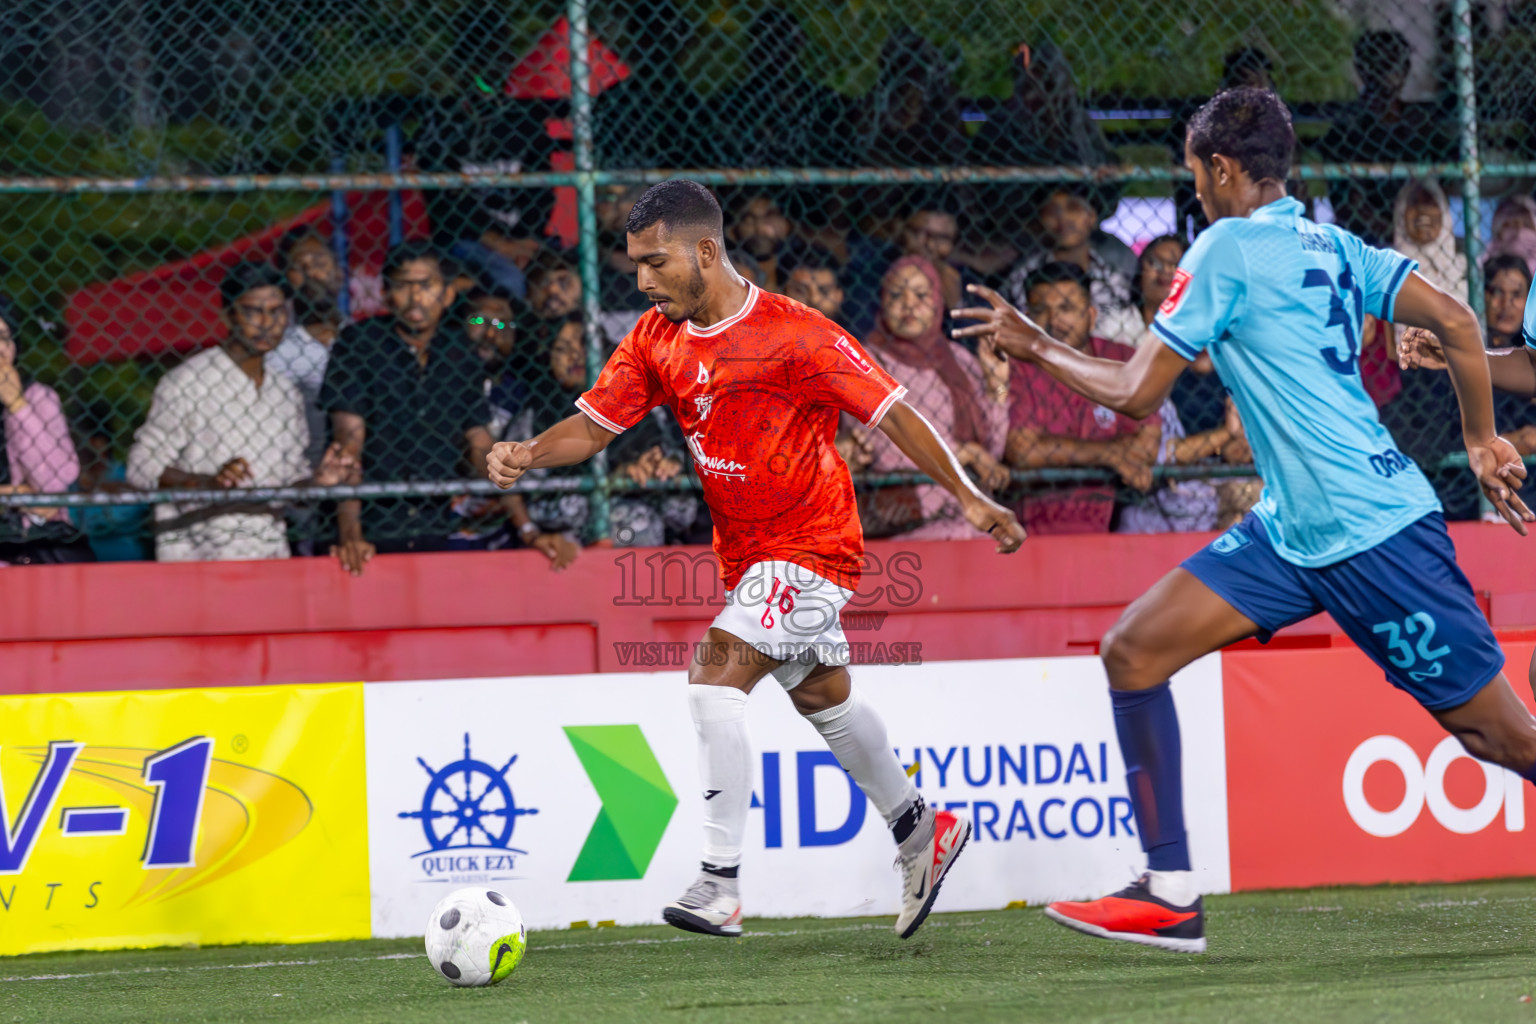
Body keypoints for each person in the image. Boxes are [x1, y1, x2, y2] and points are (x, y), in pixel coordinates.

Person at [956, 88, 1535, 954]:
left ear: (1222, 170)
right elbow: (1454, 318)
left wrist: (1035, 344)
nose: (1195, 191)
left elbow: (1135, 391)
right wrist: (1481, 440)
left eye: (1195, 174)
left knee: (1499, 735)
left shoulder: (1223, 246)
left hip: (1373, 537)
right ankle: (1170, 890)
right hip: (1294, 527)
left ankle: (1167, 885)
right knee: (1135, 650)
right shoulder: (1335, 244)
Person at [487, 180, 1024, 941]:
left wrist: (969, 497)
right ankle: (920, 830)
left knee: (714, 676)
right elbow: (594, 426)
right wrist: (528, 453)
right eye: (634, 264)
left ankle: (719, 882)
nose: (641, 280)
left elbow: (895, 412)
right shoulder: (655, 338)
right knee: (824, 697)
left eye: (654, 262)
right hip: (747, 557)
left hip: (816, 548)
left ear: (706, 251)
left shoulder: (797, 334)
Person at [128, 262, 354, 561]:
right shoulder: (188, 381)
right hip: (197, 556)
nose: (266, 323)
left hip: (269, 555)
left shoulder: (285, 392)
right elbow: (141, 467)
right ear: (229, 315)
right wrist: (207, 482)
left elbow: (291, 480)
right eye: (252, 312)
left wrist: (317, 482)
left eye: (276, 312)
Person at [319, 242, 494, 572]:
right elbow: (347, 442)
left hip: (438, 523)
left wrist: (526, 524)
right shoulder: (359, 344)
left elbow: (479, 440)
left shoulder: (459, 351)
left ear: (447, 294)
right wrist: (351, 533)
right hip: (373, 526)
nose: (415, 298)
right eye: (403, 286)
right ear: (385, 294)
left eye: (426, 286)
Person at [840, 256, 1010, 539]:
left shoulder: (960, 361)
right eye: (897, 294)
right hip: (914, 529)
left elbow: (993, 451)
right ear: (882, 302)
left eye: (920, 294)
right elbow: (884, 451)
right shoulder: (865, 362)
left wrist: (997, 387)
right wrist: (963, 453)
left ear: (937, 302)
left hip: (973, 529)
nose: (909, 304)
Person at [1005, 262, 1160, 535]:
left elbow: (1146, 444)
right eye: (1041, 311)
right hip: (1032, 524)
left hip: (1114, 518)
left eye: (1066, 309)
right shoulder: (1019, 366)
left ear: (1090, 315)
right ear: (1028, 318)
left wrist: (1063, 452)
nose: (1054, 321)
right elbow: (1023, 451)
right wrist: (1109, 454)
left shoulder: (1121, 358)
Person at [0, 298, 91, 564]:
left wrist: (18, 406)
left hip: (32, 549)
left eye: (5, 337)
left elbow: (55, 482)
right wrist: (17, 495)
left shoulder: (39, 398)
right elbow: (40, 499)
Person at [1003, 185, 1141, 346]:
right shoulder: (1021, 276)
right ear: (1040, 220)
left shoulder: (1116, 277)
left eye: (1073, 208)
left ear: (1091, 216)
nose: (1063, 218)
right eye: (1052, 210)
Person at [780, 246, 850, 332]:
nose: (814, 300)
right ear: (782, 292)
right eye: (800, 291)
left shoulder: (853, 343)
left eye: (824, 291)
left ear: (839, 295)